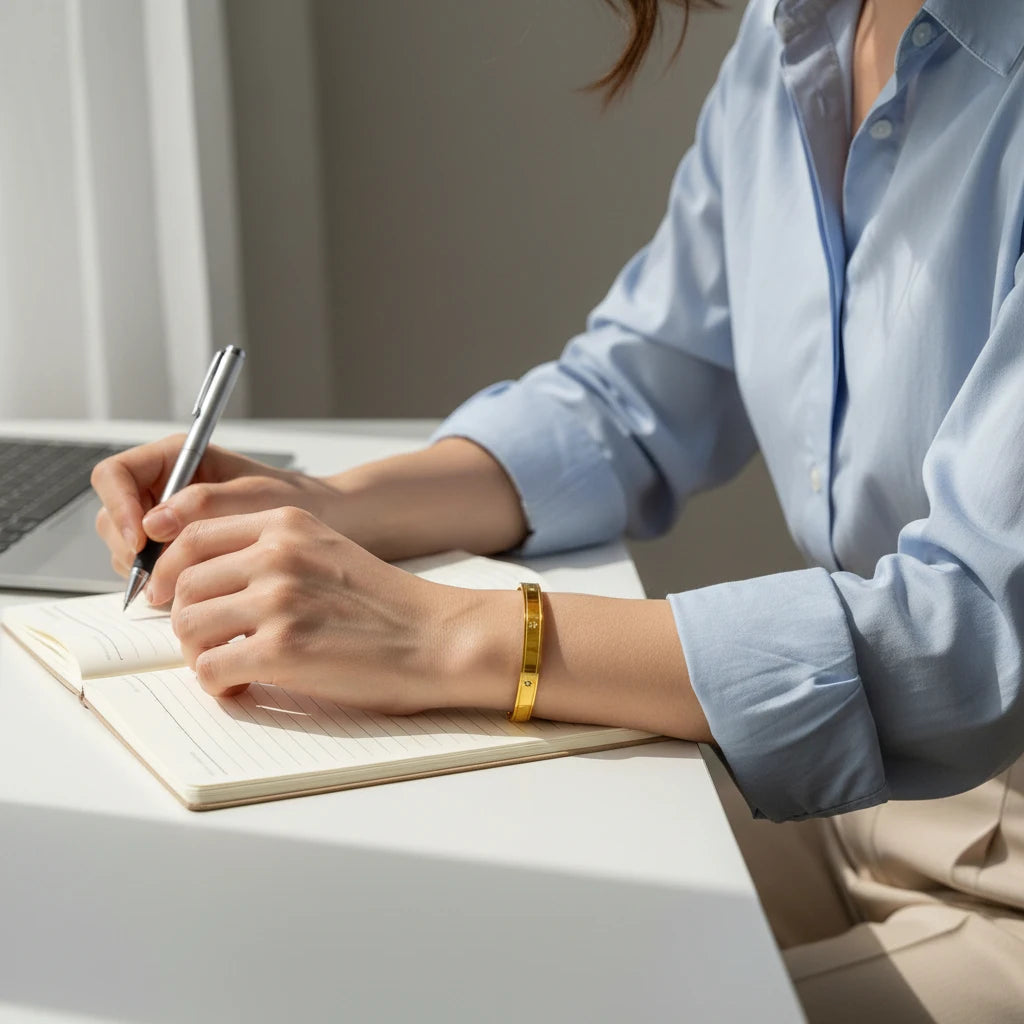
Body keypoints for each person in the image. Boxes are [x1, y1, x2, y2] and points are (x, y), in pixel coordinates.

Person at [92, 0, 1024, 1019]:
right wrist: (337, 503)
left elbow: (965, 638)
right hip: (848, 792)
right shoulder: (793, 36)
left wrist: (445, 634)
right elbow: (631, 397)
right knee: (409, 925)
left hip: (1000, 876)